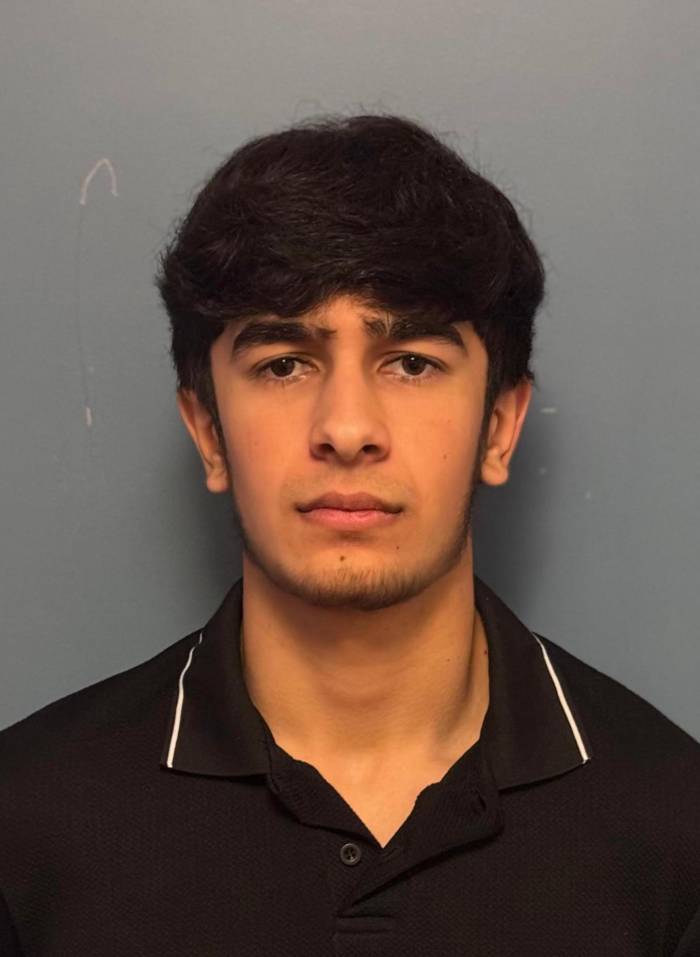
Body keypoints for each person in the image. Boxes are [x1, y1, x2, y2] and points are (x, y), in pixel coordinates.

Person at [1, 113, 698, 956]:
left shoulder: (675, 831)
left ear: (499, 427)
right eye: (283, 363)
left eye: (412, 362)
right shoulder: (25, 826)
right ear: (209, 431)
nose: (347, 428)